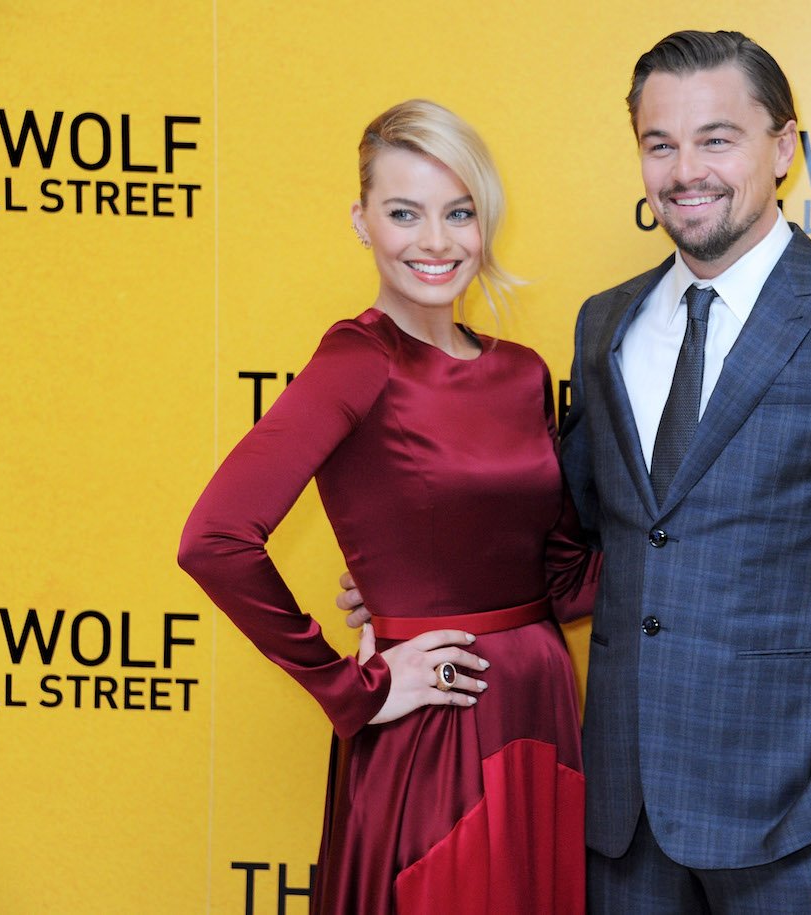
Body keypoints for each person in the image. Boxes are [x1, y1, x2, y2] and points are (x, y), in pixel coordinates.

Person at [559, 30, 811, 913]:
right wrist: (417, 581)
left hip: (803, 821)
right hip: (623, 817)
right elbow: (576, 531)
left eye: (716, 138)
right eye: (659, 143)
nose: (684, 170)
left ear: (783, 147)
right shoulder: (604, 325)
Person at [178, 99, 597, 914]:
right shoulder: (357, 359)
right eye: (404, 213)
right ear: (362, 222)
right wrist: (353, 688)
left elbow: (564, 578)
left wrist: (717, 546)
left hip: (540, 705)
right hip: (439, 719)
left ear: (486, 221)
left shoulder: (522, 371)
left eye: (458, 212)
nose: (435, 242)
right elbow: (216, 539)